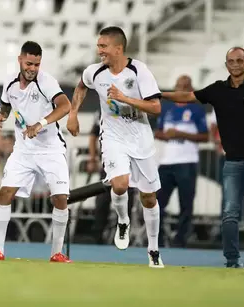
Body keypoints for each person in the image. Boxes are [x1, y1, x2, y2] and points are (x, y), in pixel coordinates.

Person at [162, 47, 244, 270]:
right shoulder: (217, 89)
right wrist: (158, 94)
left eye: (240, 60)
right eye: (231, 61)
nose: (236, 64)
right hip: (233, 160)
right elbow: (188, 96)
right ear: (226, 64)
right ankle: (232, 260)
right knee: (230, 212)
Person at [66, 26, 164, 268]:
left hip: (140, 138)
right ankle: (123, 221)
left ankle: (153, 250)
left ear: (118, 49)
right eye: (98, 46)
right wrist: (73, 113)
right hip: (113, 137)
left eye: (103, 46)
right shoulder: (95, 72)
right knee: (119, 184)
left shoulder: (139, 71)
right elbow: (80, 86)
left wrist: (125, 97)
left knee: (149, 198)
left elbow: (155, 108)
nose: (99, 51)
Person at [0, 41, 72, 262]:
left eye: (37, 64)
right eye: (29, 63)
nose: (33, 68)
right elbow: (6, 106)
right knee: (4, 194)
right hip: (23, 150)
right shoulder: (10, 83)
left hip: (51, 149)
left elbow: (65, 106)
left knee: (60, 198)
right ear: (20, 60)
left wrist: (40, 124)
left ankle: (57, 253)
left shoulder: (47, 82)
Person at [155, 75, 209, 247]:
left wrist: (181, 134)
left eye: (186, 86)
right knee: (157, 203)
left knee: (186, 204)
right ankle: (159, 238)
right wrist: (167, 135)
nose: (182, 89)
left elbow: (204, 136)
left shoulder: (197, 109)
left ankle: (181, 240)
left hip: (187, 161)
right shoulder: (167, 108)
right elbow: (158, 132)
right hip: (167, 162)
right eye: (179, 85)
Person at [87, 111, 137, 244]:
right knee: (103, 198)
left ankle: (122, 233)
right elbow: (93, 135)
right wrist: (92, 158)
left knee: (127, 198)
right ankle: (97, 234)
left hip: (129, 161)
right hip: (109, 160)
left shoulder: (132, 107)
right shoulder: (103, 109)